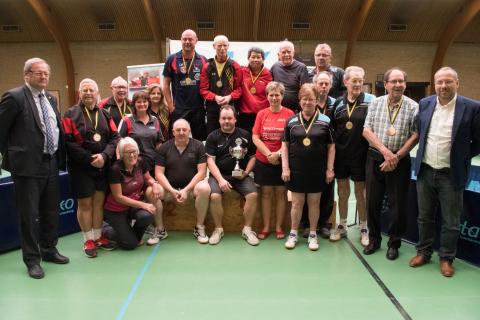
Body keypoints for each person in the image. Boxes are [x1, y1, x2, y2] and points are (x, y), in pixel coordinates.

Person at [0, 57, 69, 279]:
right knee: (28, 216)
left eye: (46, 73)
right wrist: (13, 155)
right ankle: (32, 260)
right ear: (27, 75)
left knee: (50, 211)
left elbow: (54, 128)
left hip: (50, 162)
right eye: (38, 72)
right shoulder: (15, 97)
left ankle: (48, 249)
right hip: (27, 166)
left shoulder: (49, 98)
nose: (43, 76)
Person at [409, 67, 480, 277]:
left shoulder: (472, 107)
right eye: (439, 82)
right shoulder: (425, 104)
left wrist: (462, 156)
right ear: (434, 83)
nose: (443, 86)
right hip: (425, 170)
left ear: (457, 83)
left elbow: (478, 141)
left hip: (451, 174)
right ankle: (423, 252)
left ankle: (447, 258)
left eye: (448, 82)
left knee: (451, 221)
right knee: (424, 217)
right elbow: (420, 132)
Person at [362, 68, 419, 260]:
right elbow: (366, 130)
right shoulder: (376, 103)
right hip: (376, 158)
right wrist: (386, 153)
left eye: (401, 81)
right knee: (372, 203)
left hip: (399, 161)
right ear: (385, 84)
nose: (398, 85)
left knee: (398, 206)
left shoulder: (413, 106)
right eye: (393, 81)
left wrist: (397, 156)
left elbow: (415, 134)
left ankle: (394, 244)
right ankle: (374, 239)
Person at [63, 78, 119, 258]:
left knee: (98, 202)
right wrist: (89, 159)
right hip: (81, 167)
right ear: (80, 93)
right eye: (84, 90)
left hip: (102, 166)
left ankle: (98, 236)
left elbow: (115, 138)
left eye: (91, 90)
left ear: (97, 93)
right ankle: (88, 239)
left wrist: (104, 156)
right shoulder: (70, 114)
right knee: (85, 203)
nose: (88, 93)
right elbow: (68, 142)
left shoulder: (105, 114)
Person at [282, 83, 335, 251]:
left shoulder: (325, 121)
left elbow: (331, 147)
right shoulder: (291, 122)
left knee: (314, 202)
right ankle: (293, 233)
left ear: (316, 100)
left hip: (317, 170)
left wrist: (329, 169)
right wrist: (285, 168)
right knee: (297, 203)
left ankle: (313, 234)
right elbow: (285, 146)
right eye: (304, 99)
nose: (307, 102)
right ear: (299, 101)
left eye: (311, 99)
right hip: (296, 169)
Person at [330, 66, 375, 246]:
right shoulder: (337, 104)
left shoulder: (371, 101)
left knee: (360, 193)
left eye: (360, 80)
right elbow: (333, 129)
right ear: (345, 82)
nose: (357, 84)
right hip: (341, 155)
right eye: (353, 80)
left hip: (362, 155)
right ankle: (342, 225)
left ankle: (364, 227)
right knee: (342, 192)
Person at [205, 105, 259, 246]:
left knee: (253, 195)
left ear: (235, 119)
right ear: (219, 119)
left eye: (229, 118)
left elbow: (253, 157)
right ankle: (218, 229)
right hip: (219, 175)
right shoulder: (212, 136)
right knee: (215, 196)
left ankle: (247, 229)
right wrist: (221, 179)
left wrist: (246, 173)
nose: (226, 121)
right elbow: (210, 161)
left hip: (241, 175)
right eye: (223, 118)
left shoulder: (246, 135)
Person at [118, 91, 165, 245]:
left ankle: (159, 229)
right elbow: (119, 145)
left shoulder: (155, 120)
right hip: (133, 170)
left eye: (145, 101)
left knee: (153, 193)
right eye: (138, 102)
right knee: (133, 197)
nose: (142, 104)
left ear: (148, 103)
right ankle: (133, 227)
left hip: (152, 169)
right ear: (134, 104)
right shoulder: (127, 121)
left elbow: (159, 144)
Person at [155, 119, 211, 244]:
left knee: (204, 188)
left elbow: (201, 172)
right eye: (178, 130)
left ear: (189, 131)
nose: (181, 132)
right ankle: (160, 230)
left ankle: (199, 228)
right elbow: (158, 173)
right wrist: (172, 190)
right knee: (151, 191)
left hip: (191, 190)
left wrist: (186, 190)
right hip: (169, 190)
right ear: (173, 132)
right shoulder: (164, 147)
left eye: (184, 130)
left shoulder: (198, 146)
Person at [103, 137, 163, 249]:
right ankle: (105, 230)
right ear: (121, 154)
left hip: (132, 206)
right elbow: (118, 197)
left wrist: (154, 184)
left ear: (137, 151)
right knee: (129, 245)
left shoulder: (140, 162)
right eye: (127, 153)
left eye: (134, 151)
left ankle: (132, 236)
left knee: (147, 216)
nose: (132, 155)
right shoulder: (115, 169)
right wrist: (144, 204)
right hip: (116, 210)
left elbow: (148, 178)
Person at [252, 82, 294, 240]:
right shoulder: (261, 114)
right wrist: (269, 154)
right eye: (271, 94)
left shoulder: (289, 114)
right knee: (266, 194)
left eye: (277, 94)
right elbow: (255, 137)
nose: (274, 97)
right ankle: (266, 227)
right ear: (267, 96)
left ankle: (278, 227)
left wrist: (278, 154)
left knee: (281, 194)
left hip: (282, 161)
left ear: (282, 96)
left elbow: (290, 140)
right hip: (264, 160)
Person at [301, 72, 337, 239]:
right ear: (315, 85)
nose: (323, 86)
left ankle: (323, 223)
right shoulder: (306, 104)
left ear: (330, 85)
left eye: (326, 84)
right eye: (320, 83)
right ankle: (307, 224)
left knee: (327, 191)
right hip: (309, 157)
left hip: (328, 154)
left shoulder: (336, 105)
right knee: (307, 191)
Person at [163, 29, 208, 140]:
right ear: (181, 40)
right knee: (178, 139)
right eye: (185, 39)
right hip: (178, 108)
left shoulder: (203, 60)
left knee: (200, 140)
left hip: (198, 108)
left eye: (190, 39)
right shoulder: (171, 59)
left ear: (196, 41)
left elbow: (207, 85)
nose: (187, 42)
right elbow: (165, 84)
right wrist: (170, 105)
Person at [200, 35, 243, 135]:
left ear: (228, 46)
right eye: (219, 45)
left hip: (230, 107)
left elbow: (239, 89)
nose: (222, 48)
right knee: (212, 135)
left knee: (231, 136)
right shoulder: (207, 66)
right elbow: (203, 89)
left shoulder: (235, 66)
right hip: (213, 108)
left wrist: (230, 97)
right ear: (214, 46)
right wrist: (215, 97)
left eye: (225, 45)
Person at [238, 47, 273, 132]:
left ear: (263, 59)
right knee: (246, 139)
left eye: (258, 57)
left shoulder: (268, 74)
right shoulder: (242, 71)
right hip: (245, 114)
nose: (255, 59)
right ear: (248, 58)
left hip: (262, 113)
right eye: (253, 57)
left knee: (260, 138)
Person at [270, 40, 309, 112]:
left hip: (295, 110)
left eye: (289, 52)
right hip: (277, 109)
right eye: (283, 52)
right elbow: (269, 88)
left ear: (293, 53)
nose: (286, 54)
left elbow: (305, 90)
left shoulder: (301, 67)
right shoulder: (275, 67)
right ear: (279, 54)